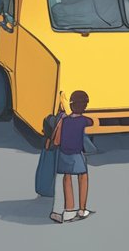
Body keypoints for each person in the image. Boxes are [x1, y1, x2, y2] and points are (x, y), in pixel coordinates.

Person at [50, 90, 94, 223]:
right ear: (84, 106)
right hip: (76, 155)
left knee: (67, 179)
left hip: (64, 154)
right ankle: (82, 209)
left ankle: (69, 210)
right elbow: (91, 122)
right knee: (83, 178)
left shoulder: (64, 120)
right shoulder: (83, 120)